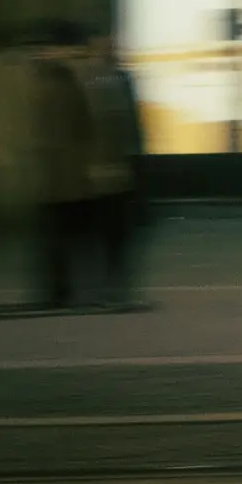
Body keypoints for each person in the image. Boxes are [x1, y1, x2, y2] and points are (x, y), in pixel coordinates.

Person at [30, 21, 95, 310]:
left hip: (66, 174)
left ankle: (62, 291)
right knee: (60, 237)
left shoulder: (60, 77)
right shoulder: (50, 79)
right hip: (59, 175)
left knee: (64, 237)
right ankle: (58, 293)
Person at [82, 32, 150, 311]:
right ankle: (107, 290)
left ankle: (114, 288)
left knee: (116, 236)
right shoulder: (93, 81)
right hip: (102, 170)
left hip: (117, 169)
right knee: (107, 235)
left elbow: (133, 123)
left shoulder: (118, 79)